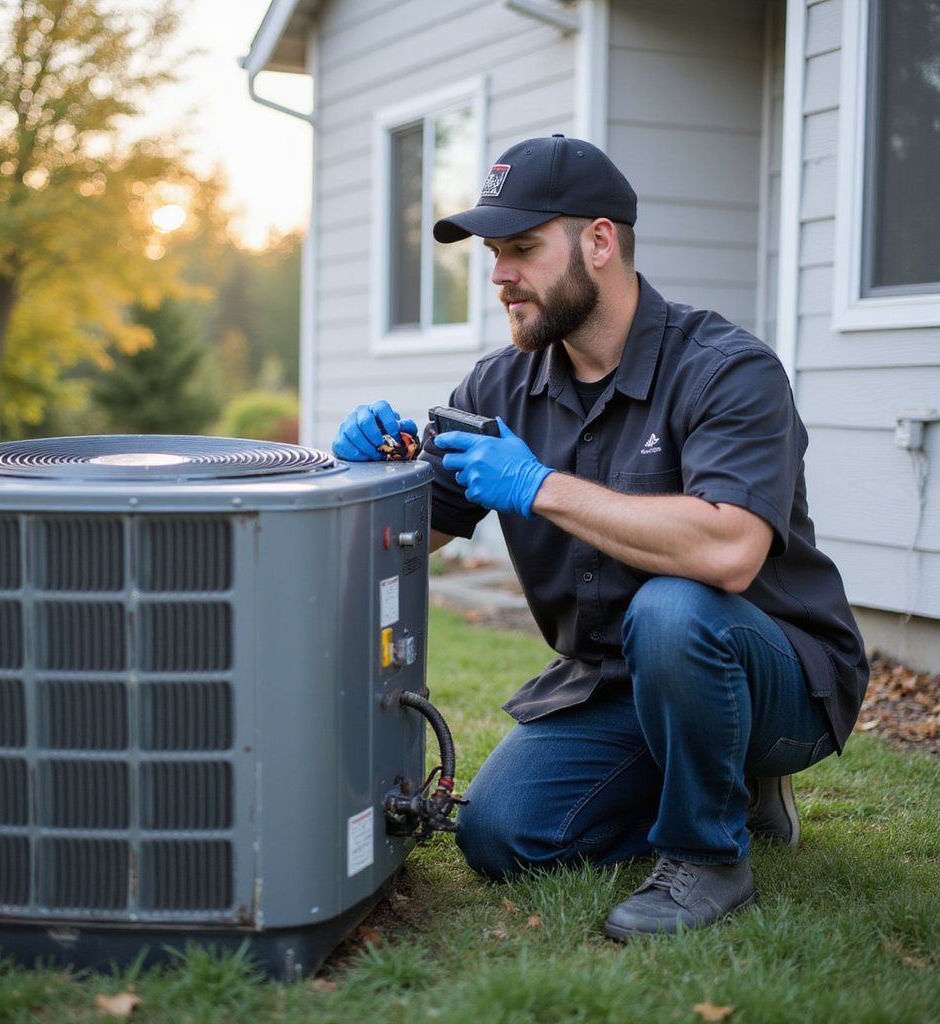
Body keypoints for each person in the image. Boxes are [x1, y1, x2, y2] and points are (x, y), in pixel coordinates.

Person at [332, 134, 868, 939]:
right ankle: (715, 784)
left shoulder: (727, 370)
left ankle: (708, 853)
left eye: (522, 248)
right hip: (613, 683)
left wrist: (539, 486)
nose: (500, 275)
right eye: (493, 254)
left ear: (600, 242)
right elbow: (415, 533)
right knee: (500, 835)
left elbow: (730, 552)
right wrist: (365, 477)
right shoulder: (497, 386)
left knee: (673, 609)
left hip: (774, 677)